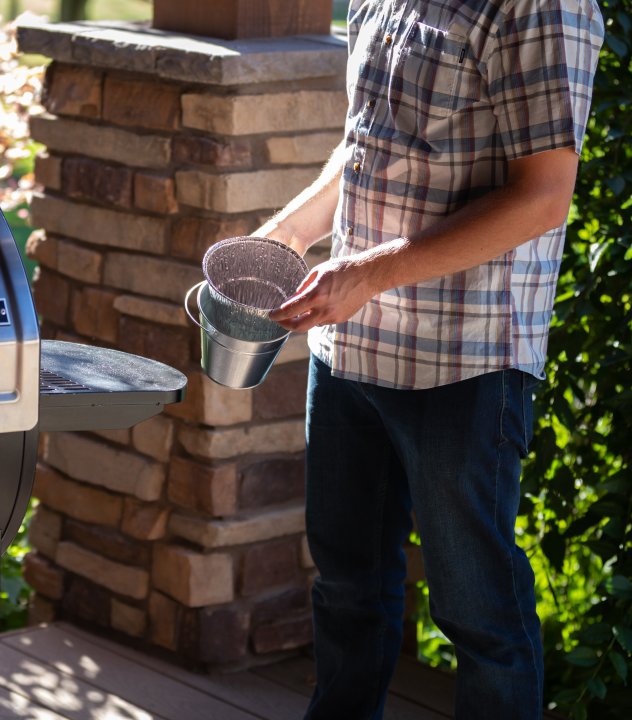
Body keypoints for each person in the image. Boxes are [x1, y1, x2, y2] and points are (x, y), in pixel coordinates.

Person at [254, 0, 604, 717]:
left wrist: (369, 272)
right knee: (347, 591)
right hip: (351, 347)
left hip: (465, 359)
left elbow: (542, 198)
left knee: (478, 615)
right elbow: (367, 142)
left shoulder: (543, 5)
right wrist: (287, 233)